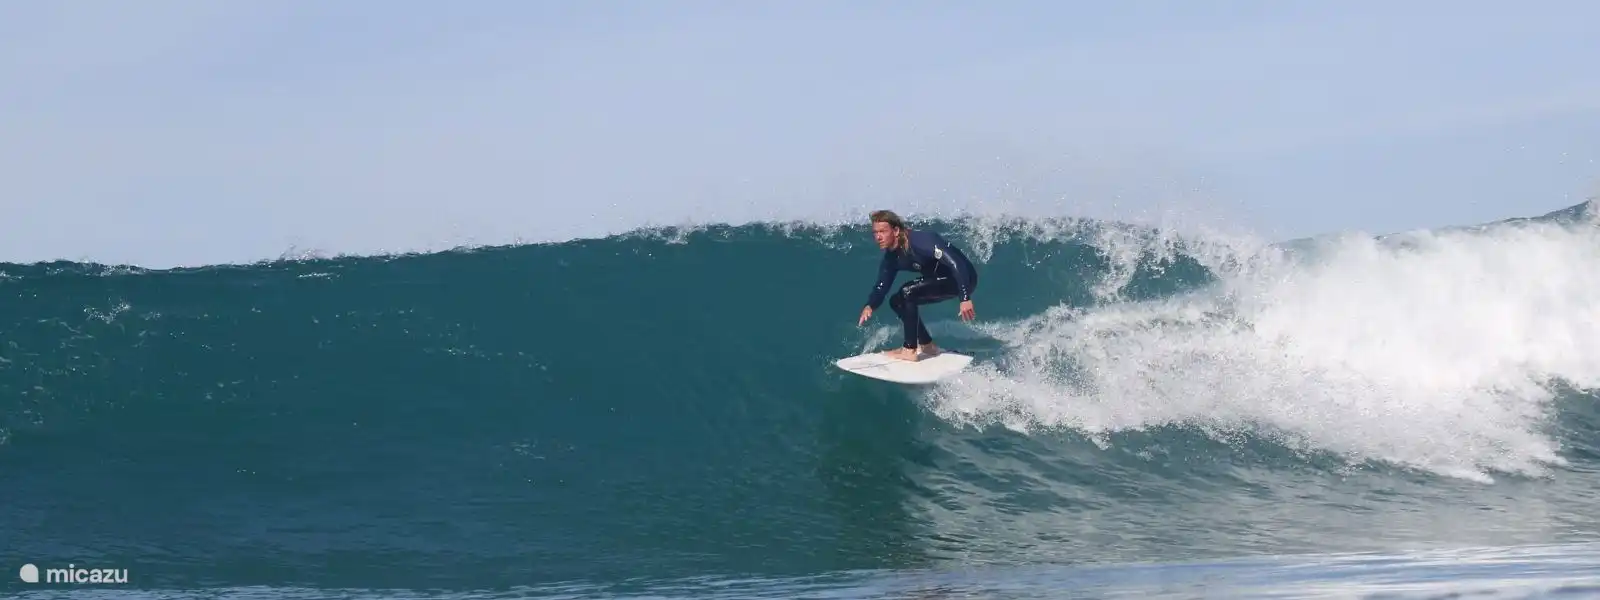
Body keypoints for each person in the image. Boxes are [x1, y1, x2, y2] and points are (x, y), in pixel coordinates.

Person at [857, 209, 979, 361]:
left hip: (962, 278)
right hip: (940, 278)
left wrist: (965, 297)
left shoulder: (921, 241)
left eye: (882, 231)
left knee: (907, 292)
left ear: (896, 231)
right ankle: (927, 345)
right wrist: (870, 305)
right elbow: (882, 285)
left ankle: (910, 350)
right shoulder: (891, 257)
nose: (878, 237)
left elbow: (956, 262)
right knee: (896, 301)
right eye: (875, 232)